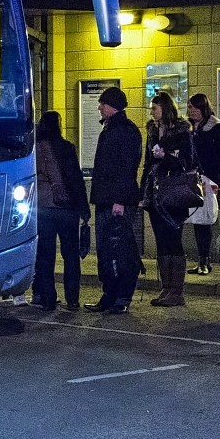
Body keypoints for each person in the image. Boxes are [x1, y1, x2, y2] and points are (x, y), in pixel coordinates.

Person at [84, 87, 143, 314]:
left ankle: (122, 296)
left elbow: (127, 169)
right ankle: (109, 294)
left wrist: (119, 200)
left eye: (102, 103)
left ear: (112, 106)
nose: (99, 107)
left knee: (122, 249)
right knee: (106, 251)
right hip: (105, 199)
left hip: (118, 202)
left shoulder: (126, 131)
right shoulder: (110, 130)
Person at [31, 111, 91, 312]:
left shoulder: (33, 151)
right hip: (67, 208)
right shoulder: (66, 148)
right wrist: (84, 208)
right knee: (71, 255)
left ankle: (47, 299)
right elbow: (76, 179)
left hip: (43, 209)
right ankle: (72, 299)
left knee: (45, 255)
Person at [140, 92, 194, 307]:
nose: (152, 112)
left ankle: (176, 290)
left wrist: (167, 157)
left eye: (155, 108)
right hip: (155, 192)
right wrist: (142, 192)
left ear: (165, 108)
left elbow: (188, 162)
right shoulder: (152, 130)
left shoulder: (182, 131)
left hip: (174, 192)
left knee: (173, 239)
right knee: (161, 240)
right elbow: (147, 162)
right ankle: (166, 287)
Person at [185, 92, 220, 275]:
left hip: (209, 178)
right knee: (197, 219)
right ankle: (201, 260)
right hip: (193, 177)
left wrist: (215, 177)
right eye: (189, 107)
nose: (192, 111)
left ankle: (205, 260)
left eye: (195, 107)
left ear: (203, 108)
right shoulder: (190, 128)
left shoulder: (216, 127)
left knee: (206, 220)